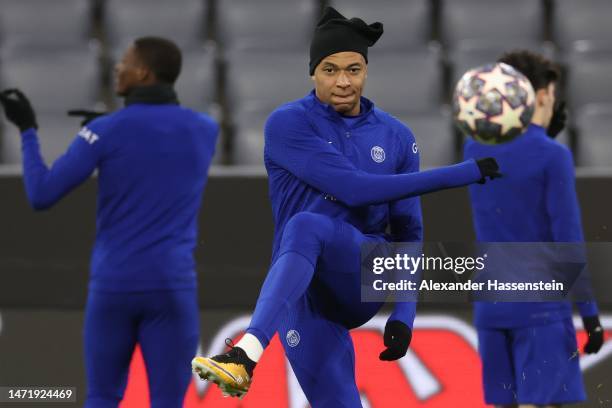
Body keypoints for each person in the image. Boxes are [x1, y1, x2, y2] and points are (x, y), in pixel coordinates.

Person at [192, 7, 501, 406]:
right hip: (302, 292)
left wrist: (404, 314)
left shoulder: (395, 137)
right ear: (312, 73)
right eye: (330, 70)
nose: (343, 81)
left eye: (353, 70)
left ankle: (246, 352)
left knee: (306, 225)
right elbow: (355, 189)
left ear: (366, 72)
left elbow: (409, 233)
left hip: (363, 273)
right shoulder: (287, 125)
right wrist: (466, 171)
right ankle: (245, 356)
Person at [0, 37, 219, 408]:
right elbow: (157, 139)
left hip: (114, 286)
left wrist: (28, 130)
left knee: (102, 397)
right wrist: (112, 128)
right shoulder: (205, 128)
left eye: (125, 62)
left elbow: (41, 194)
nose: (117, 67)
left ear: (144, 73)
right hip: (172, 287)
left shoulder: (105, 132)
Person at [463, 50, 604, 408]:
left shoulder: (473, 149)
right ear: (542, 96)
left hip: (491, 305)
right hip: (540, 306)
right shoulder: (552, 155)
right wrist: (589, 314)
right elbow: (567, 240)